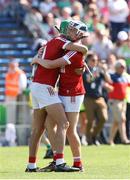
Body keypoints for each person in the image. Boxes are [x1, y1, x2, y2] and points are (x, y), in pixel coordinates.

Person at [25, 19, 88, 172]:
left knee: (38, 129)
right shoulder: (61, 41)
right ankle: (59, 162)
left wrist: (36, 60)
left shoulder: (51, 42)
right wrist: (38, 60)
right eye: (73, 30)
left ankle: (31, 165)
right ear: (66, 31)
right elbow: (82, 48)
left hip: (38, 86)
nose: (77, 33)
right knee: (64, 124)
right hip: (44, 87)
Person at [82, 52, 112, 145]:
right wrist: (97, 71)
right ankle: (89, 139)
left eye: (96, 60)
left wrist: (105, 70)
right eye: (93, 60)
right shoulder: (85, 70)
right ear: (88, 61)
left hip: (99, 98)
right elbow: (89, 80)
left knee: (104, 118)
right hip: (88, 98)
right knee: (90, 120)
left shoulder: (100, 70)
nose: (95, 62)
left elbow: (109, 81)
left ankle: (94, 135)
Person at [5, 59, 27, 146]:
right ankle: (10, 140)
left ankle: (14, 141)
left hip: (17, 99)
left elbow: (22, 87)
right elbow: (7, 88)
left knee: (15, 122)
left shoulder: (20, 74)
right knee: (10, 122)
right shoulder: (8, 74)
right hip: (10, 99)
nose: (11, 67)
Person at [108, 59, 130, 145]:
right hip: (114, 101)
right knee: (122, 119)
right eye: (121, 67)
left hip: (123, 101)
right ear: (116, 67)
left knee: (116, 121)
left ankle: (110, 140)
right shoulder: (112, 76)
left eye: (124, 67)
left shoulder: (125, 77)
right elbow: (106, 84)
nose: (123, 68)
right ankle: (124, 139)